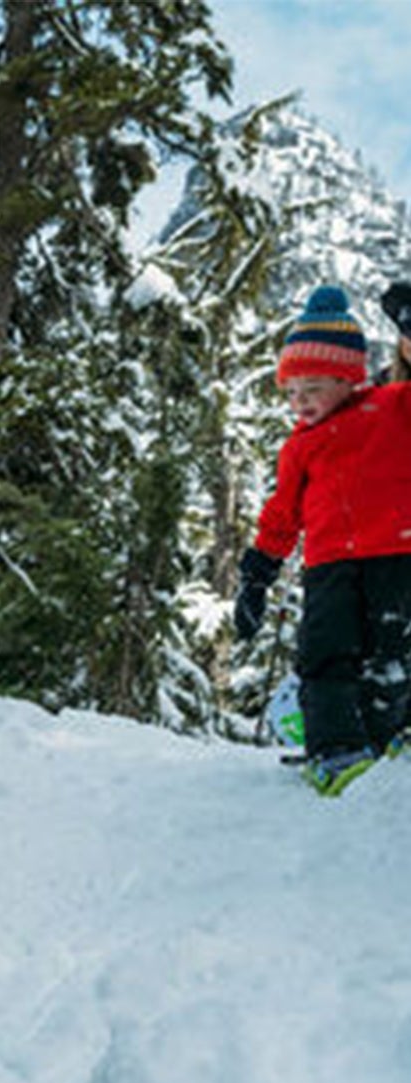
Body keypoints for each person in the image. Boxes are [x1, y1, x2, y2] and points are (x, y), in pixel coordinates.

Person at [234, 285, 411, 795]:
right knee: (326, 655)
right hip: (329, 568)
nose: (300, 401)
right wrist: (257, 575)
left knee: (394, 652)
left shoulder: (391, 407)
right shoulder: (299, 447)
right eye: (291, 391)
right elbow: (281, 516)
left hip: (396, 556)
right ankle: (334, 750)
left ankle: (391, 735)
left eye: (313, 387)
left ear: (347, 379)